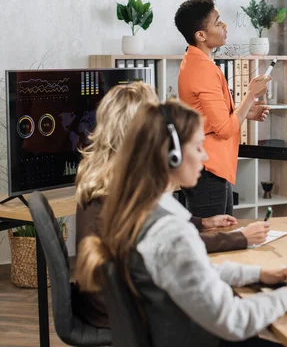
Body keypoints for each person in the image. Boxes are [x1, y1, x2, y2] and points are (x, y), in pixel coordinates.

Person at [75, 100, 287, 346]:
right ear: (171, 156)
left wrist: (259, 274)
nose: (205, 155)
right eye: (198, 147)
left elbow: (190, 272)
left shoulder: (137, 214)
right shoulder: (170, 232)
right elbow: (233, 319)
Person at [74, 82, 270, 328]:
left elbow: (150, 234)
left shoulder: (103, 172)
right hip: (119, 311)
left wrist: (201, 222)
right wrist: (239, 238)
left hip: (102, 302)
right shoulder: (122, 184)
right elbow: (170, 244)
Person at [176, 0, 271, 217]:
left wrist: (246, 112)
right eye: (218, 22)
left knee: (221, 237)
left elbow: (210, 116)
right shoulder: (202, 69)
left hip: (211, 166)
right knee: (214, 242)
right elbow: (224, 129)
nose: (224, 26)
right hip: (209, 169)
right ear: (200, 35)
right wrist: (250, 95)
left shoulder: (198, 62)